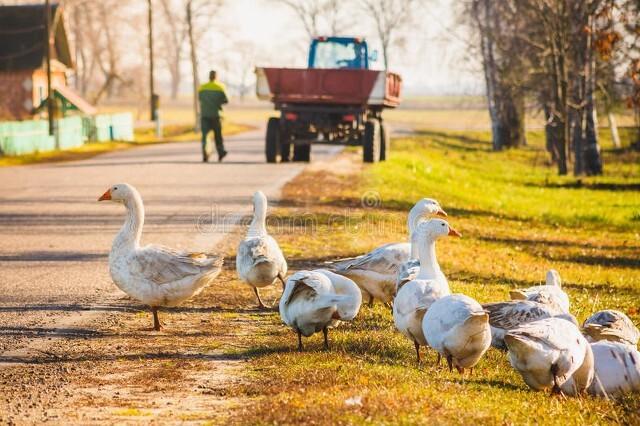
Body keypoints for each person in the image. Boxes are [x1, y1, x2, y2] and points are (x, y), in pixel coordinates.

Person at [198, 70, 229, 162]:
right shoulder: (220, 87)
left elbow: (200, 98)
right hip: (216, 115)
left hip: (205, 115)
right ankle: (221, 152)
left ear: (209, 76)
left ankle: (205, 152)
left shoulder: (202, 87)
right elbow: (226, 100)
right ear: (216, 77)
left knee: (205, 136)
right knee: (218, 136)